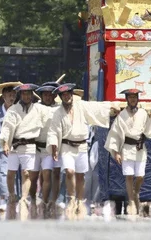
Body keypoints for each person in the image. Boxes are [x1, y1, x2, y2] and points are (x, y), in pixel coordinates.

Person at [47, 83, 117, 220]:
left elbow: (96, 108)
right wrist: (54, 146)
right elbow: (53, 131)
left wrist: (110, 106)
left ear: (72, 95)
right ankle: (71, 198)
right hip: (66, 146)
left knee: (80, 176)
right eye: (64, 95)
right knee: (69, 172)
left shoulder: (81, 106)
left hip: (81, 146)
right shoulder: (57, 113)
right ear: (60, 97)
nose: (66, 96)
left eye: (68, 94)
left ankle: (80, 200)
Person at [104, 89, 151, 216]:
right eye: (130, 97)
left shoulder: (143, 113)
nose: (132, 99)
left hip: (140, 148)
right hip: (126, 149)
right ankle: (131, 201)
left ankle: (136, 192)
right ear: (126, 99)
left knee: (140, 176)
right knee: (129, 176)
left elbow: (150, 128)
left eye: (134, 97)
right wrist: (116, 152)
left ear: (137, 99)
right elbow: (115, 134)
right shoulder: (121, 116)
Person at [0, 83, 50, 220]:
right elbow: (7, 127)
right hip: (14, 145)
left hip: (30, 146)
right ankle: (12, 194)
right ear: (21, 95)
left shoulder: (39, 108)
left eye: (29, 93)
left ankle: (24, 198)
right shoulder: (13, 110)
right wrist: (5, 143)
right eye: (24, 93)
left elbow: (52, 114)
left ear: (32, 94)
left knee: (27, 173)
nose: (26, 96)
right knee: (11, 174)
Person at [0, 81, 21, 212]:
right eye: (9, 95)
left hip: (17, 147)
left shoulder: (20, 110)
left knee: (16, 174)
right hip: (0, 148)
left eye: (13, 95)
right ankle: (3, 199)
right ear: (3, 96)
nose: (11, 97)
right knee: (2, 173)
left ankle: (15, 199)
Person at [33, 82, 62, 219]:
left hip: (55, 146)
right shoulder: (36, 108)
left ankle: (50, 201)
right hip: (37, 145)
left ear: (55, 95)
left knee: (52, 173)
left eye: (50, 94)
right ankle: (36, 199)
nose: (48, 97)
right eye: (45, 94)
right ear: (41, 96)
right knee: (35, 175)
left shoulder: (60, 108)